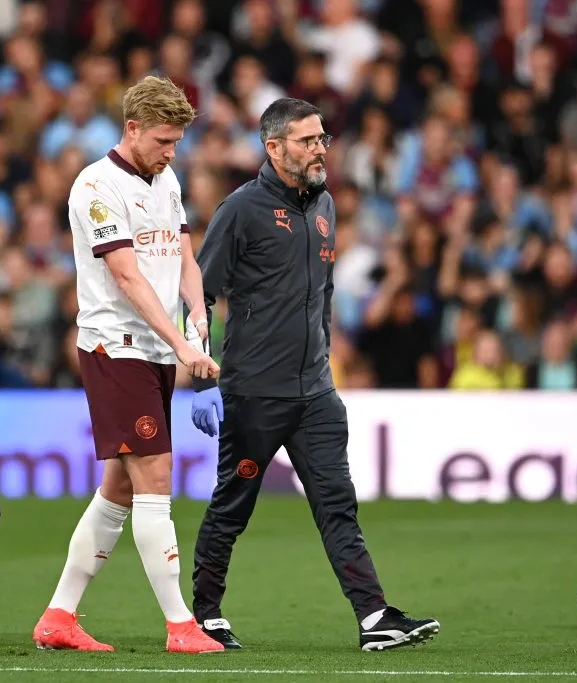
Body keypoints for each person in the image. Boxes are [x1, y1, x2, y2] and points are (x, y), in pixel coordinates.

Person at [189, 98, 440, 652]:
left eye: (322, 138)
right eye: (307, 141)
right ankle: (204, 615)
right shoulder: (240, 210)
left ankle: (374, 616)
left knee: (338, 505)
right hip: (254, 392)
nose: (320, 149)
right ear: (274, 147)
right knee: (233, 507)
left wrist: (326, 353)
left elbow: (321, 293)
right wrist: (203, 379)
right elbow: (197, 295)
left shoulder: (324, 203)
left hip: (316, 392)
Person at [32, 76, 224, 654]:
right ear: (132, 128)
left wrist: (198, 318)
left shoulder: (166, 179)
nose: (172, 152)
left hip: (159, 350)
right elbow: (126, 276)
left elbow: (184, 256)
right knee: (155, 478)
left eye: (178, 142)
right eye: (164, 140)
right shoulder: (96, 185)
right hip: (117, 347)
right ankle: (180, 625)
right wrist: (183, 346)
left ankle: (59, 618)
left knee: (119, 485)